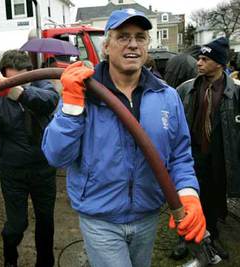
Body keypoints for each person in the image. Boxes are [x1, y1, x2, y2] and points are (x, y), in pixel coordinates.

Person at [41, 9, 206, 267]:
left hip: (147, 215)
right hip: (100, 218)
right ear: (106, 46)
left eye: (140, 37)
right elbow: (56, 155)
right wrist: (72, 107)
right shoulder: (83, 91)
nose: (132, 44)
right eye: (123, 36)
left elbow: (180, 155)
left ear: (148, 46)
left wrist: (188, 194)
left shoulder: (166, 96)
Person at [0, 50, 59, 267]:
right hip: (13, 173)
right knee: (17, 224)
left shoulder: (40, 84)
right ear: (3, 75)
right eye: (13, 78)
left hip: (43, 169)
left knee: (45, 221)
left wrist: (19, 92)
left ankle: (45, 262)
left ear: (30, 73)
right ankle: (10, 258)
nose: (22, 83)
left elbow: (50, 100)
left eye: (25, 78)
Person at [174, 37, 240, 261]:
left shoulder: (236, 93)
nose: (199, 63)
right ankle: (183, 238)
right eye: (198, 58)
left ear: (219, 63)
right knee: (189, 196)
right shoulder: (186, 89)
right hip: (192, 155)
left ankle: (211, 236)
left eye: (204, 59)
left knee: (214, 199)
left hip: (221, 156)